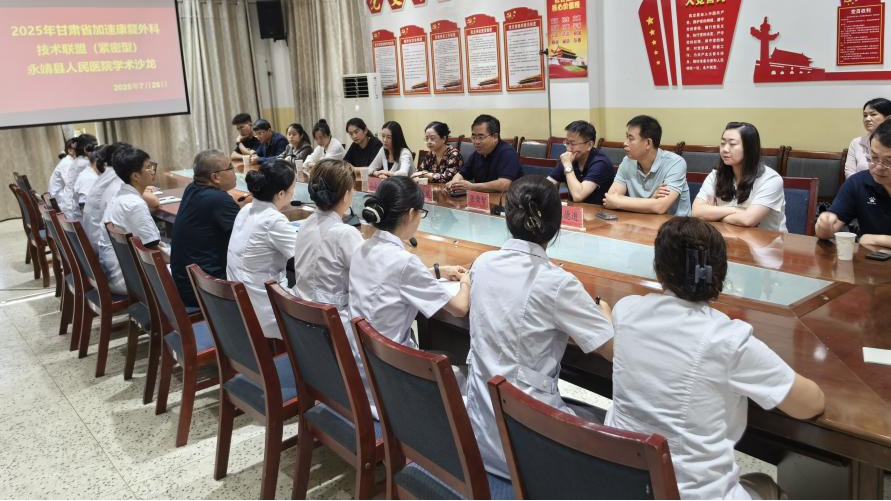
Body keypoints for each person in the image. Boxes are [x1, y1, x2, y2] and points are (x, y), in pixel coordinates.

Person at [606, 217, 825, 500]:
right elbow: (811, 404)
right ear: (720, 273)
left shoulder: (625, 310)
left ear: (659, 270)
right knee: (766, 486)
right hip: (692, 492)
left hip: (627, 485)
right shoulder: (727, 339)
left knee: (758, 481)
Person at [463, 175, 615, 479]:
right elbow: (614, 351)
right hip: (531, 452)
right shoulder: (557, 282)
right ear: (557, 225)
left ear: (507, 217)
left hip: (479, 437)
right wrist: (606, 316)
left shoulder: (483, 263)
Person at [350, 176, 471, 415]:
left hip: (361, 367)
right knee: (467, 377)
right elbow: (459, 308)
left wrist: (437, 271)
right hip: (391, 377)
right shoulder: (404, 262)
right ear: (410, 214)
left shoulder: (363, 247)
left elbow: (394, 276)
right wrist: (466, 281)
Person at [290, 158, 364, 357]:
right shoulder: (344, 234)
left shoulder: (306, 223)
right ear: (347, 194)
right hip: (335, 332)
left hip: (305, 326)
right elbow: (373, 276)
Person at [226, 159, 298, 339]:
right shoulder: (273, 220)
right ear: (281, 194)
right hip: (266, 312)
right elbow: (304, 257)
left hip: (240, 306)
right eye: (293, 187)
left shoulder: (246, 209)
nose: (294, 191)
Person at [170, 150, 242, 308]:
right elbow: (246, 239)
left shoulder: (192, 188)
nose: (235, 171)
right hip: (205, 289)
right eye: (230, 167)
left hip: (187, 281)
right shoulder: (218, 200)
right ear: (216, 177)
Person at [693, 122, 788, 232]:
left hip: (766, 240)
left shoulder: (771, 179)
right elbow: (696, 212)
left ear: (749, 148)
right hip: (725, 237)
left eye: (732, 144)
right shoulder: (715, 175)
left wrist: (714, 214)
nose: (725, 149)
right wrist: (738, 211)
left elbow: (748, 220)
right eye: (723, 143)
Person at [816, 119, 891, 249]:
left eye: (889, 161)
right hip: (871, 259)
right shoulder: (858, 183)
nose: (879, 167)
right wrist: (825, 227)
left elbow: (867, 239)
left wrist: (876, 239)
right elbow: (828, 230)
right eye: (874, 157)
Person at [100, 147, 161, 295]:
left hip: (118, 274)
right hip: (132, 280)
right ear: (135, 176)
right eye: (148, 167)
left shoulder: (119, 197)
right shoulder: (135, 204)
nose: (152, 171)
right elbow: (153, 251)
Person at [603, 115, 691, 216]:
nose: (625, 143)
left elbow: (660, 207)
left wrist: (619, 202)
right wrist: (651, 201)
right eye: (626, 137)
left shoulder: (675, 163)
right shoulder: (627, 161)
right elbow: (610, 198)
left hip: (675, 224)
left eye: (631, 138)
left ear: (648, 143)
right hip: (640, 221)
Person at [445, 114, 522, 194]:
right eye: (474, 137)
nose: (476, 142)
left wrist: (472, 187)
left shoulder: (508, 152)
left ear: (495, 137)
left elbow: (504, 185)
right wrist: (454, 183)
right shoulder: (477, 154)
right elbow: (462, 173)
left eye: (481, 137)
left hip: (506, 199)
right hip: (483, 198)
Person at [547, 120, 614, 204]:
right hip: (575, 209)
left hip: (598, 210)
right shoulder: (570, 158)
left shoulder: (601, 163)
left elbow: (578, 196)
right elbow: (548, 184)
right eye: (567, 143)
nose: (568, 148)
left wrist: (568, 166)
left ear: (589, 145)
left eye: (573, 144)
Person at [846, 98, 891, 179]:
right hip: (859, 186)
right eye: (865, 115)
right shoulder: (857, 142)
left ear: (888, 118)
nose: (867, 119)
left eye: (873, 114)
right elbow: (849, 173)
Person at [57, 134, 98, 220]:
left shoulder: (79, 160)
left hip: (70, 205)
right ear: (86, 149)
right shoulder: (84, 163)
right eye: (94, 147)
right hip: (74, 211)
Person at [48, 137, 77, 203]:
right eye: (79, 149)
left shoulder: (70, 161)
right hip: (59, 201)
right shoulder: (67, 163)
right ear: (70, 150)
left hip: (61, 197)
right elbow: (71, 185)